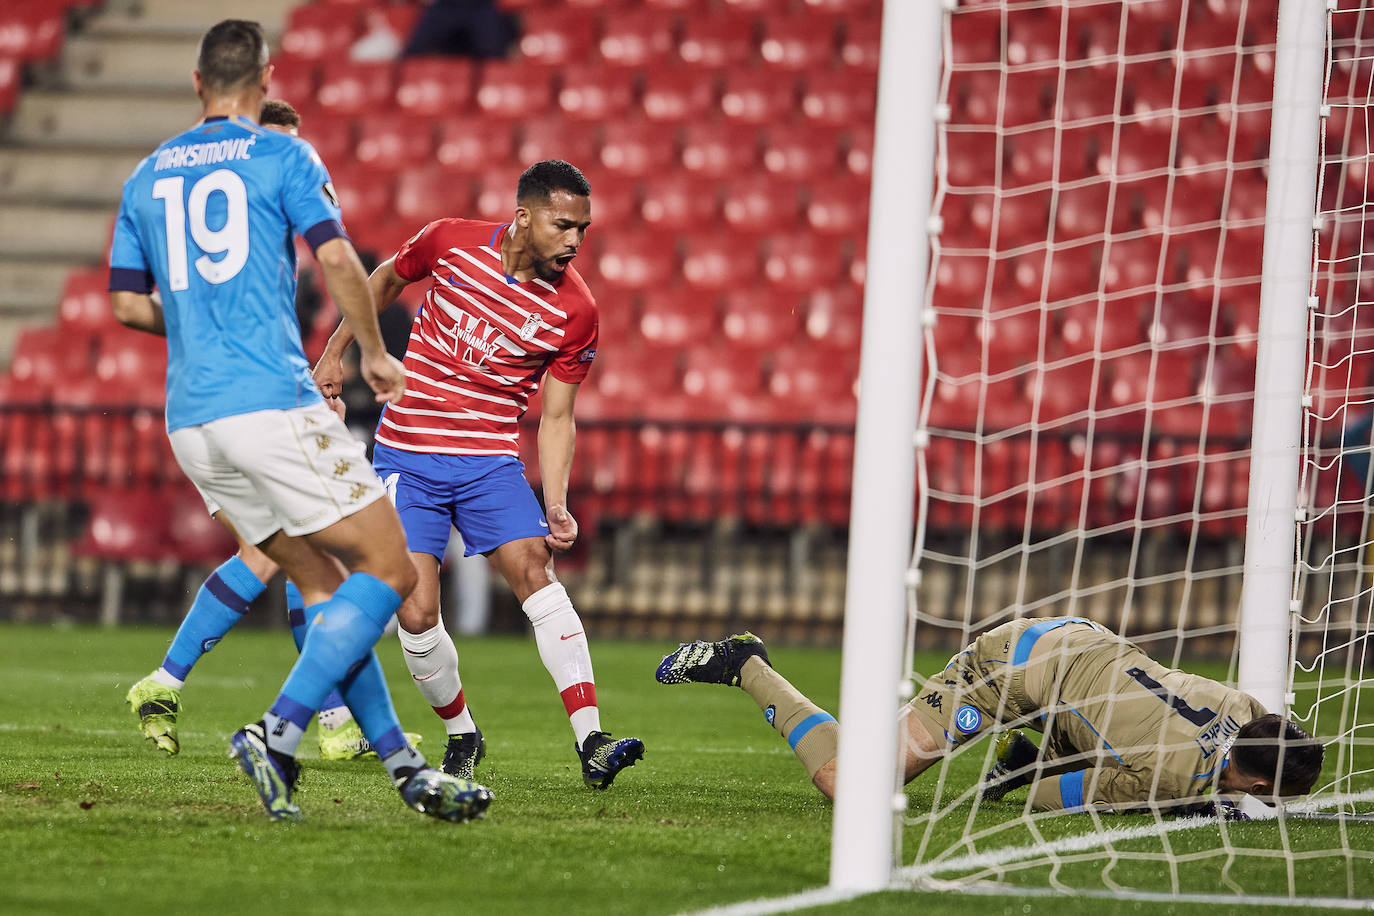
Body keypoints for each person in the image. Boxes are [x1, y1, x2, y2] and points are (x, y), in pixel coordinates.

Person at [108, 20, 490, 823]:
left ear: (196, 81)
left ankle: (404, 767)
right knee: (391, 568)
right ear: (266, 78)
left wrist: (199, 324)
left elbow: (124, 303)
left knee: (323, 584)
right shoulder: (281, 154)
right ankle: (278, 729)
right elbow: (341, 258)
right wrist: (377, 356)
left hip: (192, 423)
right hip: (267, 402)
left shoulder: (146, 173)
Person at [312, 159, 644, 788]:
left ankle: (592, 739)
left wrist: (557, 501)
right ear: (524, 216)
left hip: (489, 462)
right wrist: (336, 352)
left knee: (534, 571)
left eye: (584, 229)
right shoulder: (450, 241)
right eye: (563, 225)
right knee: (414, 610)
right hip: (408, 453)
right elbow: (383, 280)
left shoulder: (577, 311)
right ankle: (462, 733)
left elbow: (558, 416)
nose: (575, 241)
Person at [124, 98, 398, 765]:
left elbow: (144, 305)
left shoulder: (247, 231)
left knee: (292, 561)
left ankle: (314, 717)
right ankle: (319, 722)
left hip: (202, 411)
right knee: (317, 561)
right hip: (251, 409)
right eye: (277, 143)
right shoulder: (262, 222)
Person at [656, 618, 1325, 814]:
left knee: (1104, 727)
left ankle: (1045, 739)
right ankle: (746, 663)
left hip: (1084, 642)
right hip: (1010, 670)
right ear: (1261, 786)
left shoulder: (1248, 708)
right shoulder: (1175, 777)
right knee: (852, 784)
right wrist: (1175, 802)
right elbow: (1043, 801)